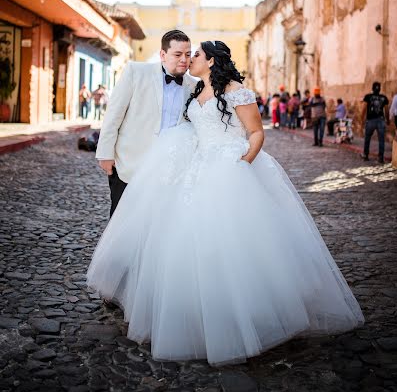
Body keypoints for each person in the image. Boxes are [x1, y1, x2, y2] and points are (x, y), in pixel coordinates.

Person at [87, 40, 364, 366]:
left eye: (196, 55)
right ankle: (190, 311)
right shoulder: (195, 88)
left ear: (213, 61)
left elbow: (256, 132)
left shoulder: (237, 91)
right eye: (184, 55)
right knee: (184, 242)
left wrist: (243, 163)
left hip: (228, 170)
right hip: (195, 170)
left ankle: (243, 317)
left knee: (232, 243)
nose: (190, 60)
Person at [95, 30, 197, 217]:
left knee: (156, 223)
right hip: (130, 164)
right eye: (178, 54)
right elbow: (113, 115)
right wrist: (105, 153)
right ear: (162, 55)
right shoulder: (136, 72)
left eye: (188, 54)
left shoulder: (194, 86)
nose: (184, 59)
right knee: (121, 221)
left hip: (168, 170)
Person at [361, 82, 390, 163]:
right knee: (381, 139)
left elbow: (363, 109)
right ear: (380, 88)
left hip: (370, 120)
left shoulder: (368, 97)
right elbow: (386, 111)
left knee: (367, 138)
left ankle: (366, 155)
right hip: (381, 120)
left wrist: (361, 119)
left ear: (372, 88)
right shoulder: (384, 98)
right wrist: (387, 120)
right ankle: (381, 157)